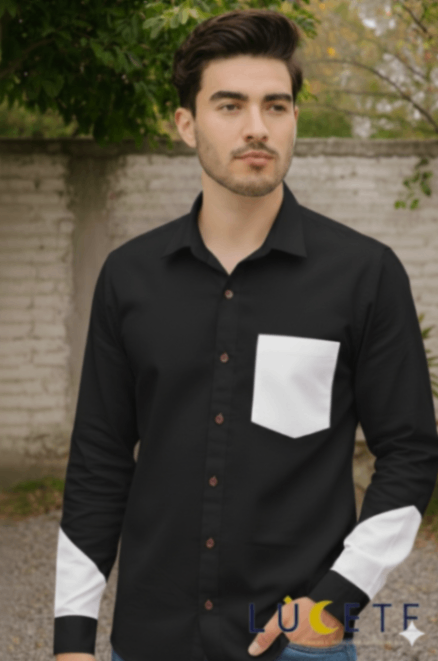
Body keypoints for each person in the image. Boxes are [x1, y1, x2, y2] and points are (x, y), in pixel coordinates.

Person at [53, 8, 438, 661]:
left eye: (275, 106)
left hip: (295, 646)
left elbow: (411, 451)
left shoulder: (364, 274)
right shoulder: (129, 277)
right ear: (187, 124)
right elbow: (100, 459)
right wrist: (71, 639)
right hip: (150, 642)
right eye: (230, 105)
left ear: (294, 119)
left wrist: (336, 602)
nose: (257, 126)